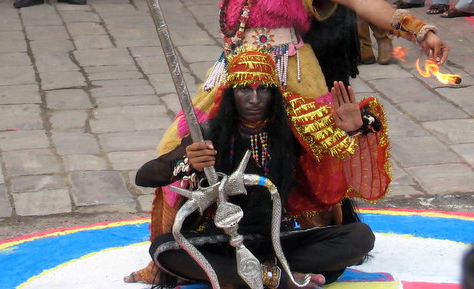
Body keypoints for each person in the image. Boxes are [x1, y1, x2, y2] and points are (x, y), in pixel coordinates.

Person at [125, 0, 449, 285]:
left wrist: (417, 28)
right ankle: (173, 255)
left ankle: (303, 246)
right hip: (232, 66)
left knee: (314, 154)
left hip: (287, 70)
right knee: (178, 146)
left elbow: (363, 1)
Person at [139, 50, 385, 288]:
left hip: (279, 239)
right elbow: (144, 176)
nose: (254, 99)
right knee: (163, 249)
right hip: (225, 241)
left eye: (263, 89)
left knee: (360, 237)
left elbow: (364, 122)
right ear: (231, 94)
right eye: (245, 89)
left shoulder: (293, 125)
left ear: (275, 94)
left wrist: (356, 126)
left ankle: (250, 276)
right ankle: (275, 277)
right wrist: (185, 165)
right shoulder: (208, 133)